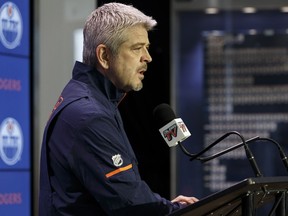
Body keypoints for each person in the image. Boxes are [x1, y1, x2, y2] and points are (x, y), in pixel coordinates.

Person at [38, 2, 199, 216]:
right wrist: (177, 210)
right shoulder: (89, 115)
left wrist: (167, 207)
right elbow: (129, 202)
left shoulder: (97, 100)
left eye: (147, 48)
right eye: (136, 48)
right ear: (104, 56)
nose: (148, 58)